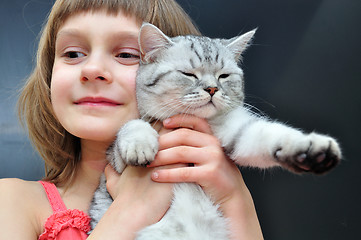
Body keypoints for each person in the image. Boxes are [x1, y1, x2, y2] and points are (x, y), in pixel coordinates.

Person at [0, 0, 263, 239]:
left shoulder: (227, 192)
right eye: (72, 54)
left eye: (127, 54)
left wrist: (234, 199)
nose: (93, 70)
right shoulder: (12, 201)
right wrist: (133, 209)